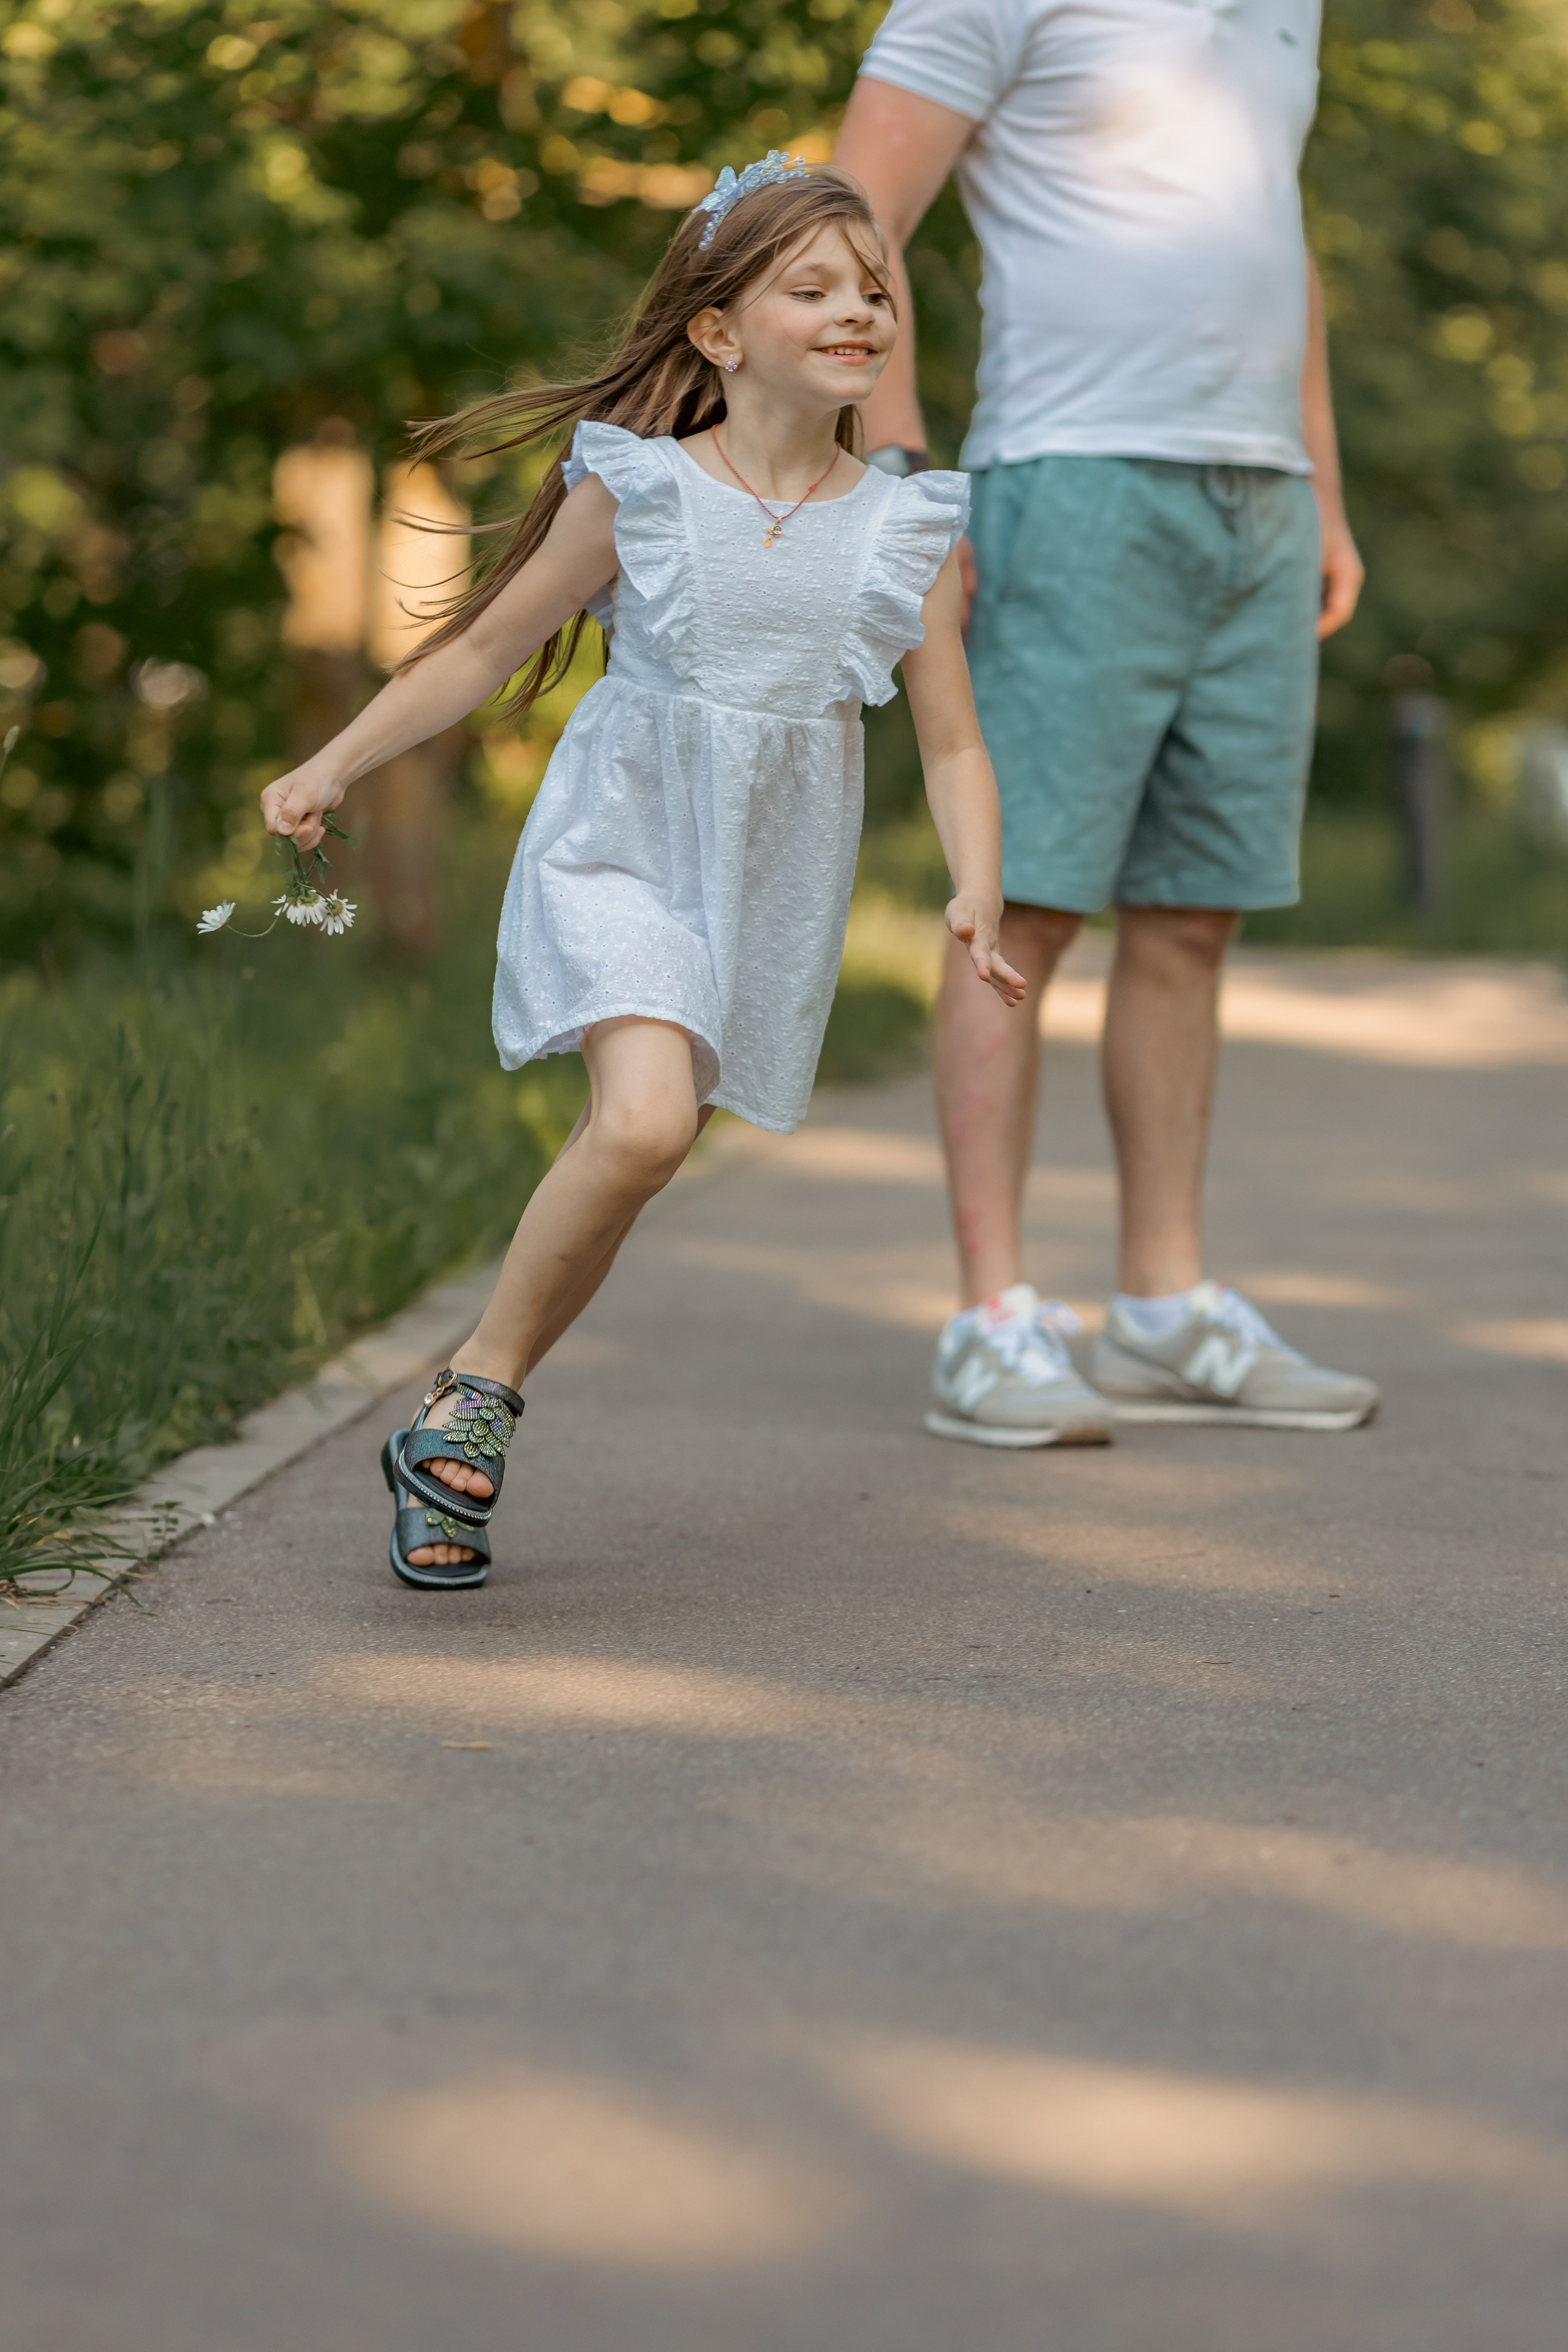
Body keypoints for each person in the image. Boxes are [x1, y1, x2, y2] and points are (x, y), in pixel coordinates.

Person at [258, 158, 1025, 1589]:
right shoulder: (641, 488)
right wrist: (336, 764)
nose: (857, 309)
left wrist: (976, 881)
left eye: (872, 288)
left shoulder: (903, 524)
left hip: (760, 883)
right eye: (813, 286)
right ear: (718, 334)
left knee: (650, 1139)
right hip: (616, 851)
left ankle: (457, 1417)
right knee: (645, 1126)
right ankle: (477, 1392)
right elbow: (484, 653)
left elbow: (954, 741)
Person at [837, 1, 1380, 1445]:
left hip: (1254, 501)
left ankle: (1160, 1306)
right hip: (1070, 482)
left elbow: (1279, 238)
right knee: (1017, 910)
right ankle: (989, 1319)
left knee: (1196, 913)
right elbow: (858, 210)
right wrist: (897, 471)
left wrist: (1318, 485)